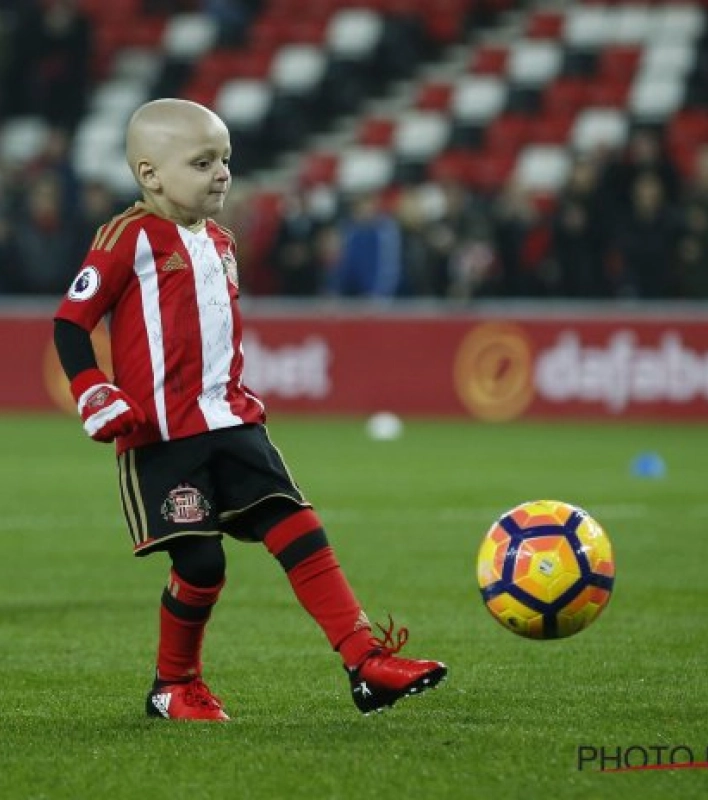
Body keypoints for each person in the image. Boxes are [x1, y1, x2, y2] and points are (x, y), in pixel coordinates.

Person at [52, 98, 446, 720]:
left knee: (298, 524)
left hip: (234, 421)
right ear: (151, 174)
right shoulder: (126, 237)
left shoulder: (223, 241)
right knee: (202, 561)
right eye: (203, 161)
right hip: (161, 436)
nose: (221, 174)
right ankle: (173, 684)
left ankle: (365, 662)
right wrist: (93, 388)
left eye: (226, 160)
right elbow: (71, 323)